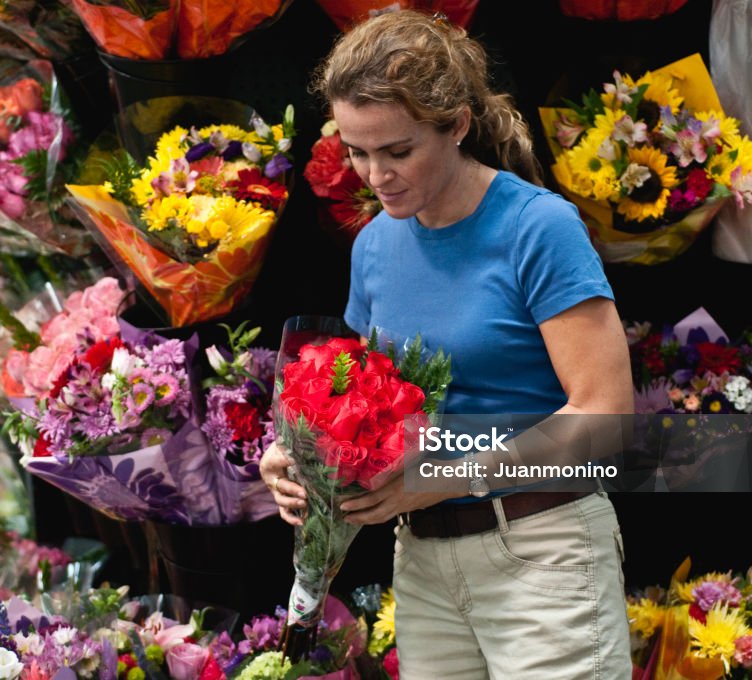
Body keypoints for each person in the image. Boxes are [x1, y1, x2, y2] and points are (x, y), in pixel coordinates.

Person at [260, 9, 635, 680]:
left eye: (398, 150)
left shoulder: (537, 227)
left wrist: (438, 480)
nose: (375, 174)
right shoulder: (373, 243)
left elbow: (604, 418)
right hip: (425, 566)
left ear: (458, 124)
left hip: (542, 554)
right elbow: (358, 405)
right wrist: (299, 457)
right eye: (356, 149)